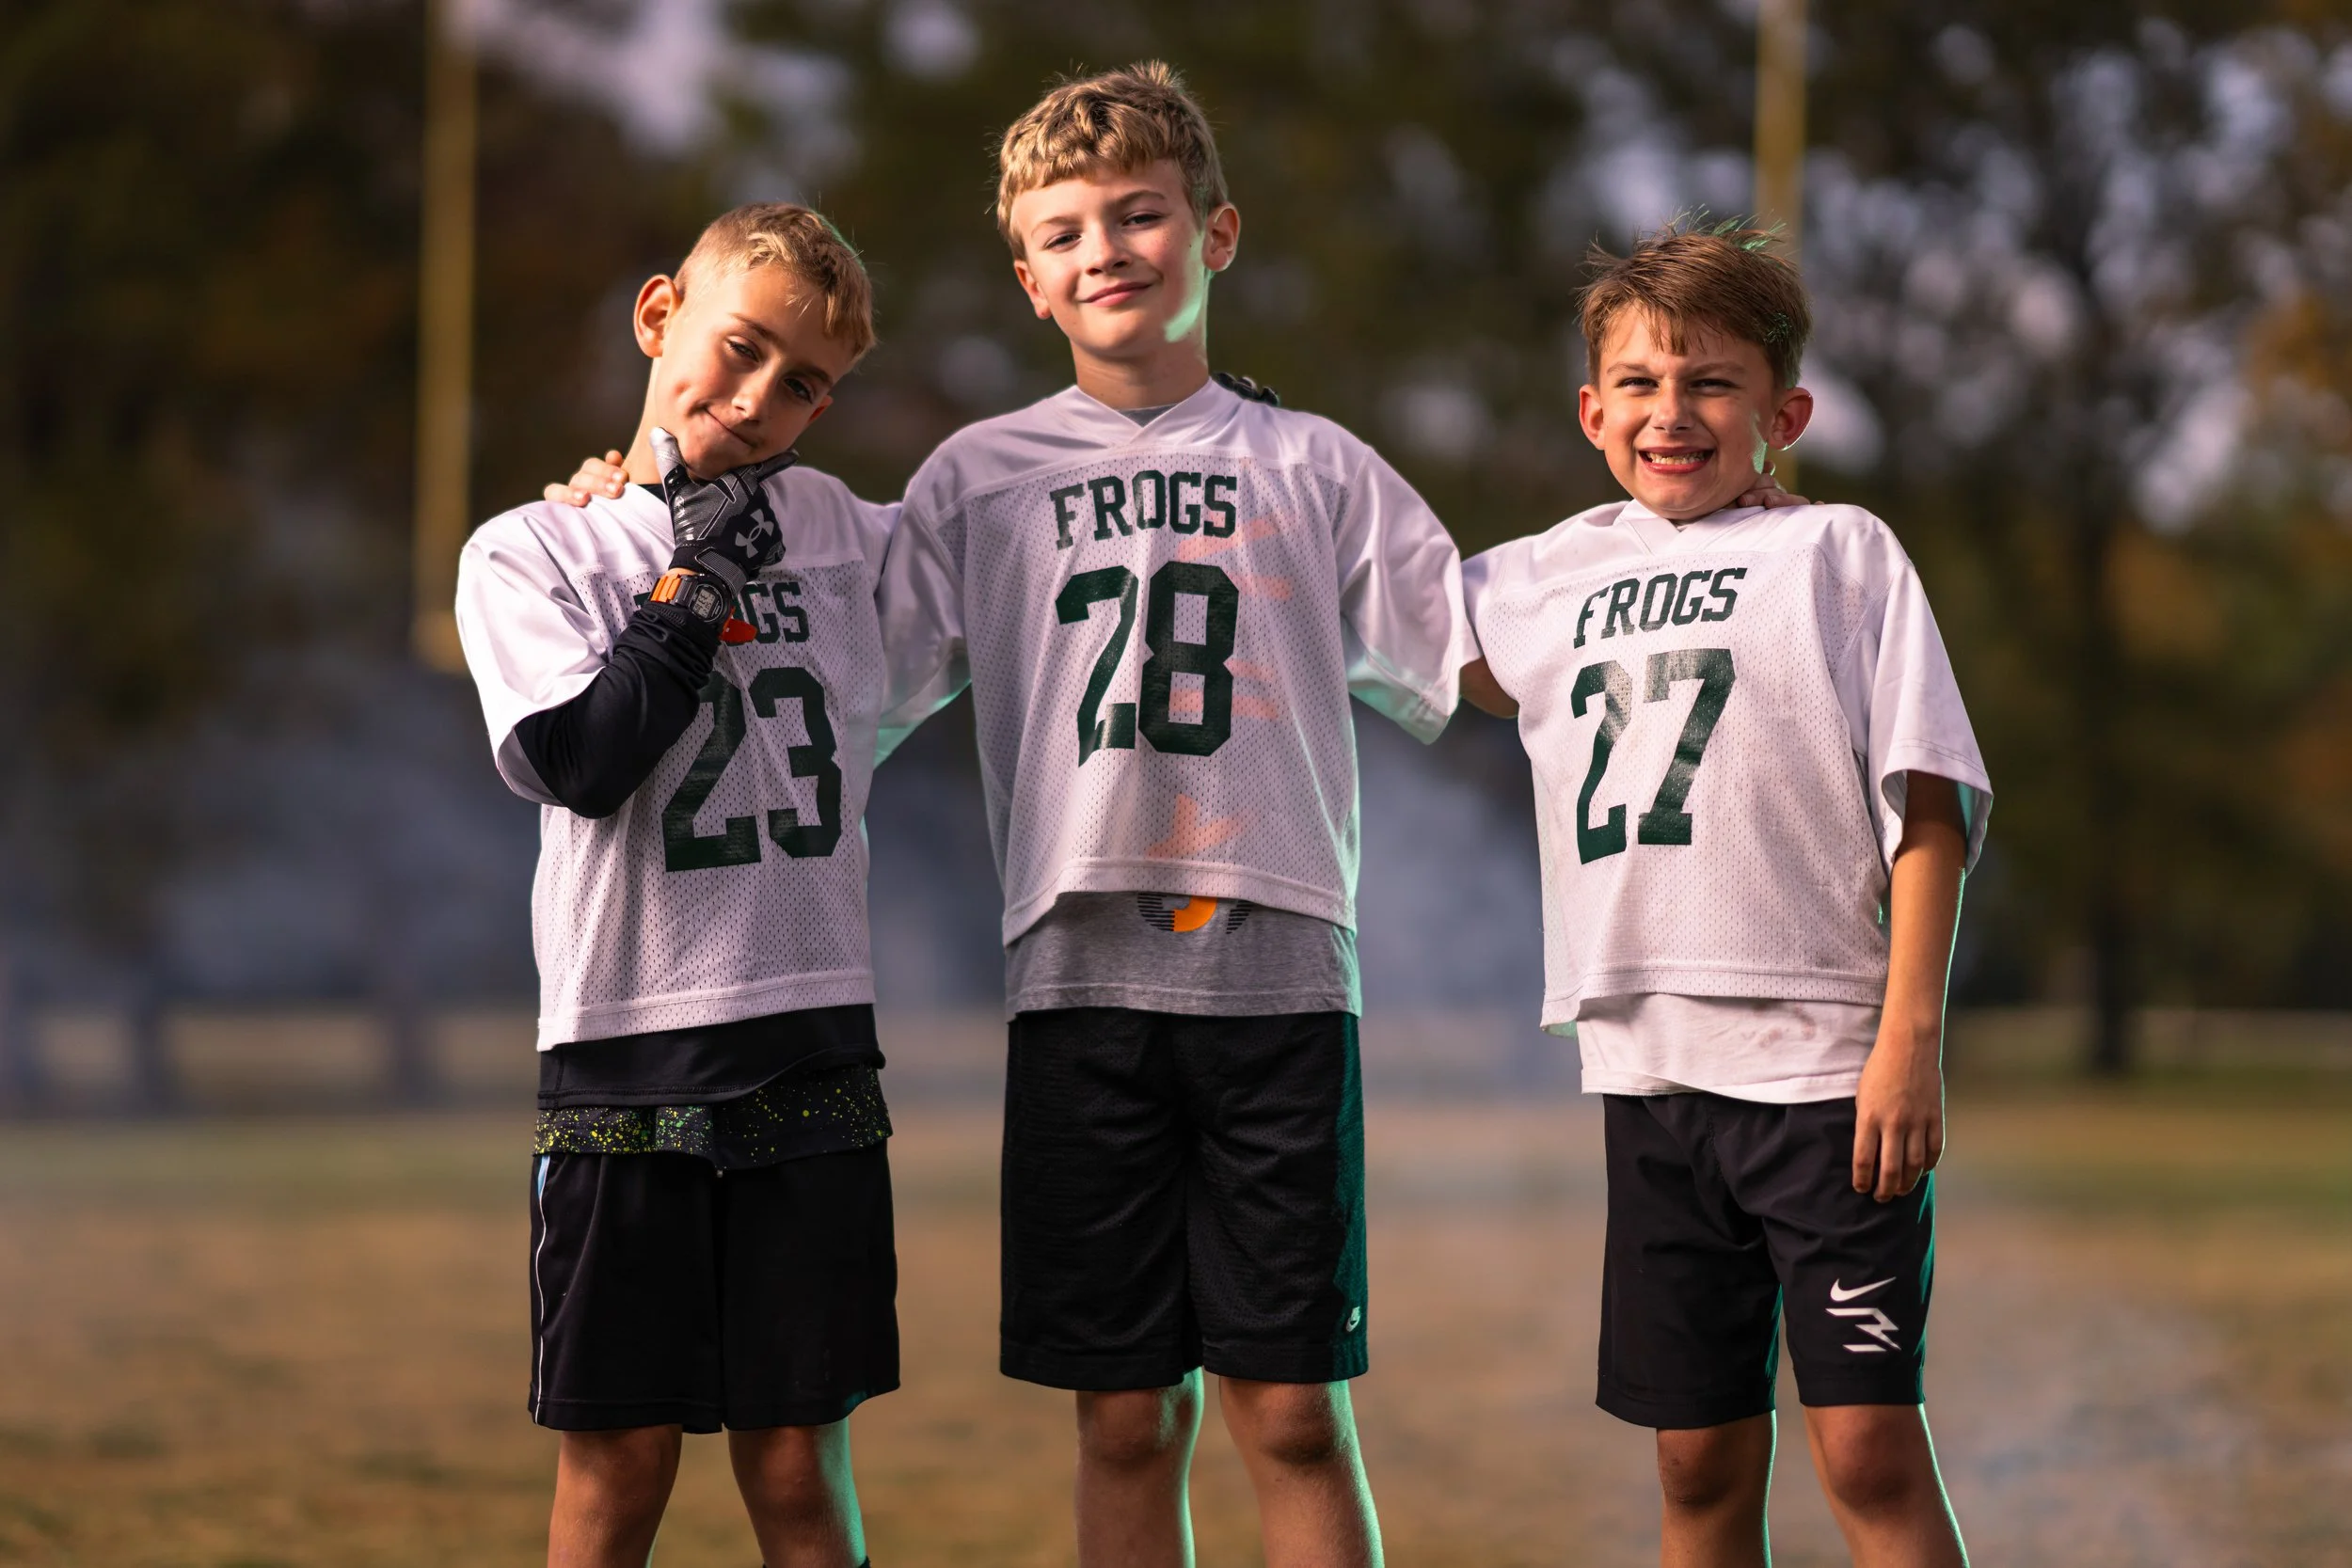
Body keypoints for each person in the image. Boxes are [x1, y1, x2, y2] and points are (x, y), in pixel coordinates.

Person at [1457, 221, 1987, 1568]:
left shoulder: (1841, 554)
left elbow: (1931, 802)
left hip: (1825, 1071)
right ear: (1591, 411)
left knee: (1864, 1445)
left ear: (1783, 411)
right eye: (1636, 382)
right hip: (1651, 1075)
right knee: (1696, 1458)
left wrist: (1910, 1039)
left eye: (1710, 383)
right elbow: (1372, 618)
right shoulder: (1544, 573)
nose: (1670, 412)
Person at [455, 201, 898, 1568]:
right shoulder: (533, 548)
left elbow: (1022, 545)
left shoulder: (842, 530)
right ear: (660, 317)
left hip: (809, 1034)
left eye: (805, 384)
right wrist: (690, 576)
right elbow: (584, 760)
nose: (760, 399)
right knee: (618, 1461)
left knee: (795, 1465)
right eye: (741, 348)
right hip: (624, 1046)